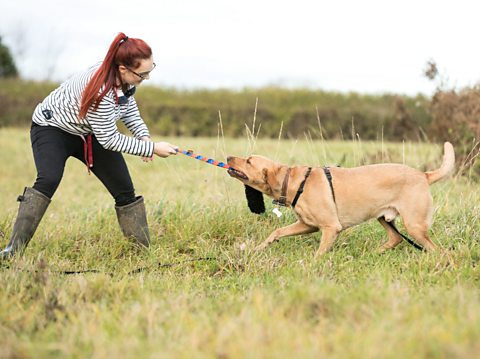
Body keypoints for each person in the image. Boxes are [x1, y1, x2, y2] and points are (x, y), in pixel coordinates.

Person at [0, 32, 178, 259]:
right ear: (123, 69)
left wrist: (144, 137)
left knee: (124, 188)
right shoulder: (100, 90)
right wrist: (152, 149)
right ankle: (12, 250)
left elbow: (128, 109)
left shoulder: (124, 79)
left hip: (88, 131)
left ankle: (142, 253)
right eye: (143, 74)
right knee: (48, 179)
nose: (147, 78)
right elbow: (110, 139)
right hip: (53, 128)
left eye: (151, 70)